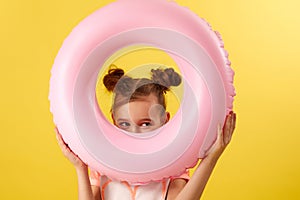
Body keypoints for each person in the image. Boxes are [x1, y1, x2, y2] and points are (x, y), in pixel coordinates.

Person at [55, 65, 236, 200]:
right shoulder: (102, 165)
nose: (134, 133)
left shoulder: (173, 164)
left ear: (165, 119)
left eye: (145, 124)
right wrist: (80, 168)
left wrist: (211, 158)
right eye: (124, 124)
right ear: (113, 121)